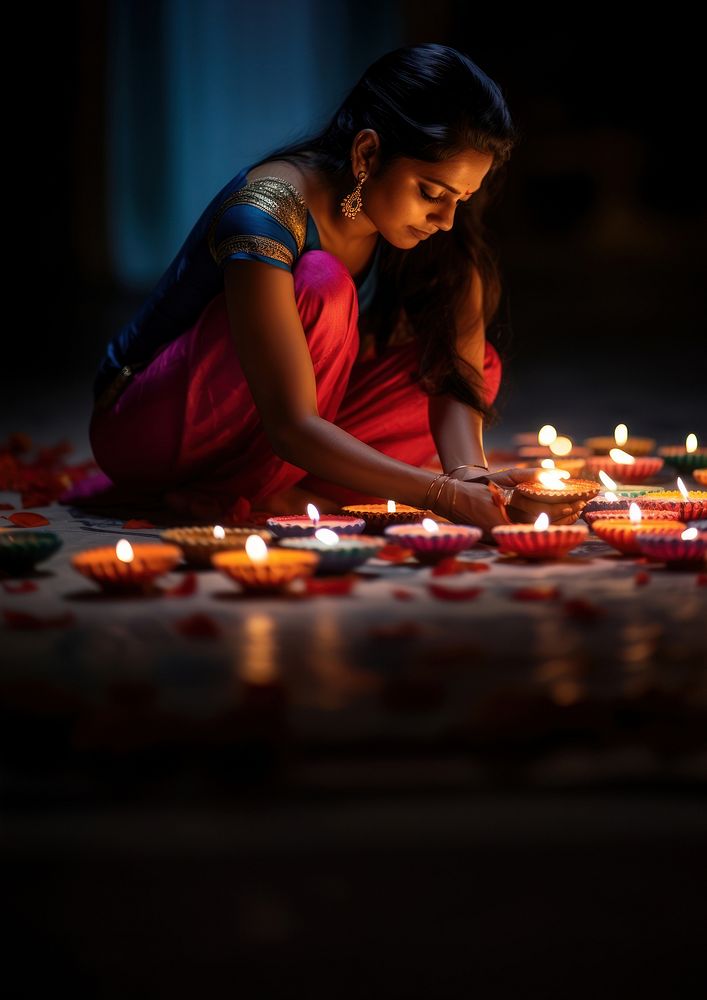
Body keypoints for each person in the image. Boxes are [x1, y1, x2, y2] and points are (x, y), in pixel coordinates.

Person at [63, 43, 585, 537]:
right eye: (431, 193)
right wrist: (441, 496)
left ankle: (244, 490)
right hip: (149, 423)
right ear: (367, 154)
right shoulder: (267, 210)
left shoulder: (424, 233)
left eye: (461, 199)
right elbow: (290, 424)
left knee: (475, 366)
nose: (447, 220)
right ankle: (244, 488)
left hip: (273, 428)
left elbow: (454, 389)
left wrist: (470, 478)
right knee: (322, 286)